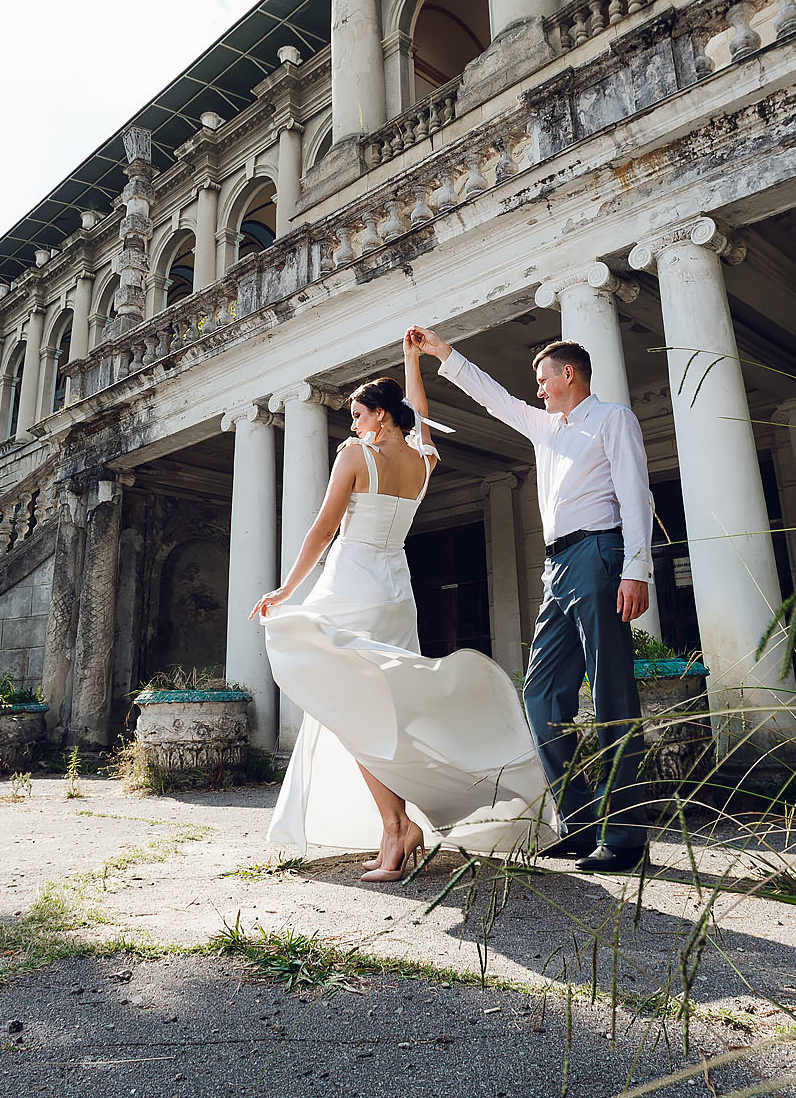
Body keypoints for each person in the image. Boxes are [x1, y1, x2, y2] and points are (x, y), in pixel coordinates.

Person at [251, 334, 550, 880]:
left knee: (351, 710)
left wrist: (287, 589)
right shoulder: (423, 459)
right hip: (395, 591)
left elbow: (322, 529)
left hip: (351, 588)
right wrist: (412, 361)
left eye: (358, 414)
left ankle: (396, 829)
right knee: (381, 711)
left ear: (382, 418)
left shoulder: (355, 454)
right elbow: (421, 412)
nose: (352, 424)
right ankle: (400, 824)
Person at [407, 326, 653, 874]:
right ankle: (581, 820)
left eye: (542, 380)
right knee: (541, 695)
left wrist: (637, 567)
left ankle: (626, 832)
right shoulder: (544, 427)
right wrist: (444, 353)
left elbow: (637, 494)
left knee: (612, 692)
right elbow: (492, 398)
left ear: (568, 374)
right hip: (558, 565)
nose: (537, 390)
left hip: (600, 552)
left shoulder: (613, 420)